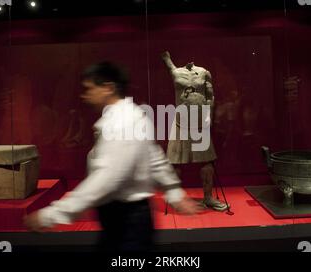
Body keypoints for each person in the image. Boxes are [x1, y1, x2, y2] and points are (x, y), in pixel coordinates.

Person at [24, 61, 200, 251]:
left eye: (89, 89)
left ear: (108, 88)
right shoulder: (131, 115)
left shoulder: (121, 123)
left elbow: (107, 179)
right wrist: (174, 192)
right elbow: (154, 157)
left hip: (125, 222)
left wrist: (51, 215)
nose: (84, 96)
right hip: (127, 220)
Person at [161, 51, 228, 211]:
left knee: (206, 163)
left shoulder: (204, 72)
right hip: (180, 121)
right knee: (176, 161)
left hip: (200, 121)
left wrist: (210, 116)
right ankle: (175, 198)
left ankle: (208, 197)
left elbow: (211, 96)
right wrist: (167, 59)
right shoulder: (176, 72)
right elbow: (170, 66)